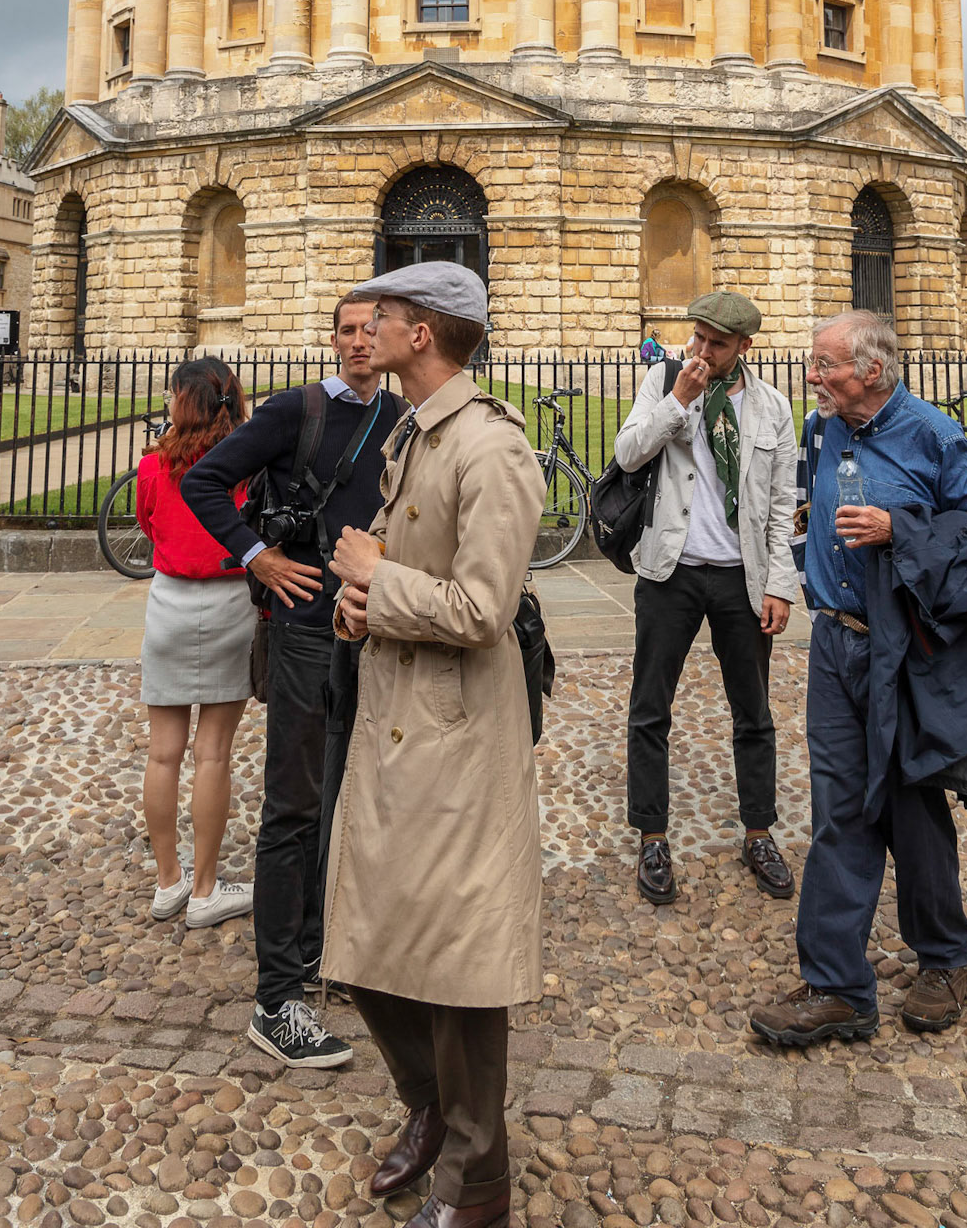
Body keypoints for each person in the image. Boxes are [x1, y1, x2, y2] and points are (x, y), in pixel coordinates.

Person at [322, 263, 545, 1228]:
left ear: (425, 332)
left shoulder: (491, 449)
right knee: (365, 940)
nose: (362, 327)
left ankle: (476, 1172)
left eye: (383, 316)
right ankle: (427, 1106)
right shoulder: (415, 431)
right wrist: (355, 602)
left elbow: (485, 609)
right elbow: (398, 563)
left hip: (452, 728)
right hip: (391, 715)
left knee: (457, 961)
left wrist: (378, 578)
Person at [749, 308, 967, 1049]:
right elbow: (799, 511)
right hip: (836, 643)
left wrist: (901, 532)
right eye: (812, 363)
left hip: (907, 651)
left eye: (825, 364)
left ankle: (944, 960)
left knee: (911, 806)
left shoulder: (932, 434)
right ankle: (836, 987)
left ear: (872, 370)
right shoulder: (821, 427)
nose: (812, 376)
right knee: (838, 809)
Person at [181, 298, 401, 1068]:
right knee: (294, 803)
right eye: (346, 330)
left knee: (355, 795)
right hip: (306, 629)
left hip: (373, 629)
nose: (359, 342)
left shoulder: (406, 420)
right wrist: (256, 557)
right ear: (333, 341)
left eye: (372, 329)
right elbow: (205, 482)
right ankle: (277, 997)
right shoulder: (294, 410)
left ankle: (320, 949)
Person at [614, 291, 800, 907]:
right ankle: (653, 835)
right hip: (670, 570)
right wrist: (680, 402)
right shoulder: (664, 381)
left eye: (716, 343)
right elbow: (628, 452)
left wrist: (780, 583)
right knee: (650, 707)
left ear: (745, 347)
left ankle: (759, 831)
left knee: (753, 712)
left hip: (739, 577)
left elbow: (779, 505)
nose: (701, 349)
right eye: (697, 337)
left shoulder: (772, 406)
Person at [137, 357, 257, 930]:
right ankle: (206, 889)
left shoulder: (151, 467)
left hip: (169, 601)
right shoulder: (244, 468)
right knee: (213, 752)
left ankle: (168, 883)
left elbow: (151, 527)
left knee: (163, 752)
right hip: (230, 601)